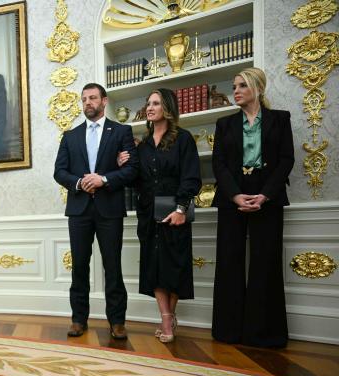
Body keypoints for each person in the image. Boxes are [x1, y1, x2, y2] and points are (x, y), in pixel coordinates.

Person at [211, 67, 294, 348]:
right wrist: (235, 195)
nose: (235, 91)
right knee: (229, 263)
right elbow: (219, 165)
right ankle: (228, 332)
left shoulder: (280, 120)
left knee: (265, 263)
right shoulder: (224, 125)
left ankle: (264, 334)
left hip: (267, 197)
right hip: (231, 197)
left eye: (242, 86)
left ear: (257, 88)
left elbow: (286, 160)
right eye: (234, 86)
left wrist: (265, 195)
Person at [54, 83, 139, 339]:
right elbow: (59, 171)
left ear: (104, 101)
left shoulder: (121, 131)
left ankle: (117, 322)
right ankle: (78, 319)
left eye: (92, 98)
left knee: (112, 267)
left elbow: (131, 170)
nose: (87, 103)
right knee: (79, 267)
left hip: (109, 209)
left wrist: (103, 179)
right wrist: (80, 182)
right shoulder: (70, 136)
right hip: (79, 210)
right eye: (84, 99)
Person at [119, 88, 201, 343]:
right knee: (154, 266)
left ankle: (169, 315)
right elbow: (137, 182)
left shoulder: (183, 139)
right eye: (148, 103)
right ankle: (166, 317)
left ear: (167, 107)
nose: (150, 107)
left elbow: (191, 177)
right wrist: (123, 164)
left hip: (174, 207)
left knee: (173, 266)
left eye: (155, 103)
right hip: (148, 212)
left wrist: (180, 209)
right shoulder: (142, 145)